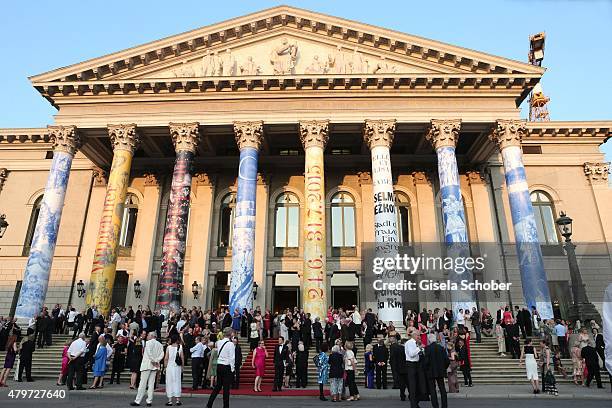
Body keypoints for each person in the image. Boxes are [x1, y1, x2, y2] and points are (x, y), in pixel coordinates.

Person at [131, 332, 164, 407]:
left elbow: (149, 353)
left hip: (147, 365)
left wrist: (153, 361)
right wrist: (157, 360)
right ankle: (149, 401)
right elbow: (162, 354)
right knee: (151, 384)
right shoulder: (160, 344)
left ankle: (138, 401)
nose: (147, 336)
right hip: (154, 366)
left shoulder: (148, 343)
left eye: (148, 335)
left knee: (142, 383)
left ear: (152, 336)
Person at [206, 327, 236, 408]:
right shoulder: (231, 344)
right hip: (226, 366)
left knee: (218, 386)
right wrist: (232, 370)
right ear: (230, 334)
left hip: (219, 365)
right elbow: (232, 358)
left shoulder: (218, 342)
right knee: (226, 389)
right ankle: (226, 406)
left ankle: (209, 404)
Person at [422, 333, 450, 408]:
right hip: (440, 371)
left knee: (432, 390)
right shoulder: (441, 348)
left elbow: (426, 361)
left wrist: (426, 368)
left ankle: (435, 406)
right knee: (442, 389)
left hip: (431, 371)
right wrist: (444, 368)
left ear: (429, 340)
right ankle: (444, 406)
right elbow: (447, 361)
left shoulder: (427, 348)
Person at [164, 333, 184, 406]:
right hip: (177, 367)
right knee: (177, 382)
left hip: (170, 367)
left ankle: (170, 400)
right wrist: (182, 367)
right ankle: (178, 400)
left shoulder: (168, 347)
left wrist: (165, 367)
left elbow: (166, 358)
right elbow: (182, 358)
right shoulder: (180, 347)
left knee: (169, 382)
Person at [405, 330, 423, 407]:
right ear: (414, 335)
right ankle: (413, 404)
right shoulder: (409, 343)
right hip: (411, 365)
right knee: (413, 386)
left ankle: (416, 403)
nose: (419, 337)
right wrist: (419, 348)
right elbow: (411, 354)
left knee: (417, 385)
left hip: (416, 364)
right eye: (418, 335)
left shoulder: (415, 343)